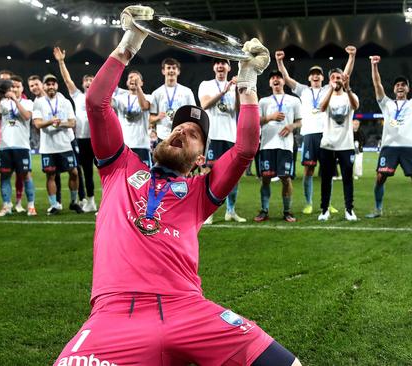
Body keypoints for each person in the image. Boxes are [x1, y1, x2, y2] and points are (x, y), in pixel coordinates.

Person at [53, 6, 302, 366]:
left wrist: (247, 81)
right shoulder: (119, 166)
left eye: (195, 134)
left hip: (188, 309)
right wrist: (131, 40)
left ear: (201, 158)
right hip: (114, 313)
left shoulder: (202, 193)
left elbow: (246, 148)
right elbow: (96, 102)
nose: (183, 131)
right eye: (179, 127)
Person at [275, 46, 355, 215]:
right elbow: (287, 79)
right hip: (309, 134)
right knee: (308, 170)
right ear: (309, 77)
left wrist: (351, 57)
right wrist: (280, 61)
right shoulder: (303, 90)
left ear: (322, 77)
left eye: (318, 73)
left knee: (328, 172)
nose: (316, 76)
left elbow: (344, 75)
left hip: (328, 134)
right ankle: (309, 202)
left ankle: (328, 203)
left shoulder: (329, 89)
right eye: (313, 74)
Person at [365, 54, 412, 220]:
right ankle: (378, 209)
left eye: (403, 85)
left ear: (408, 89)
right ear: (394, 89)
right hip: (389, 147)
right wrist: (374, 65)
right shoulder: (386, 104)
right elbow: (377, 83)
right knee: (380, 177)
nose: (400, 87)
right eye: (397, 85)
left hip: (409, 147)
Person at [198, 58, 247, 223]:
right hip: (212, 136)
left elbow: (239, 110)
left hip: (230, 137)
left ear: (228, 67)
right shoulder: (206, 84)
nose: (220, 65)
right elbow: (204, 104)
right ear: (214, 67)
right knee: (208, 174)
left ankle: (231, 210)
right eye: (217, 63)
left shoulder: (234, 86)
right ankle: (208, 212)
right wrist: (224, 92)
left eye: (223, 63)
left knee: (233, 176)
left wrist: (236, 92)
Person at [53, 47, 98, 212]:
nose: (88, 82)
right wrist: (61, 61)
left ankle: (108, 202)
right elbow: (66, 80)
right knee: (86, 172)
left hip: (98, 139)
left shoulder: (103, 97)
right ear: (83, 84)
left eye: (91, 80)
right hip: (82, 139)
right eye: (86, 80)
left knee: (105, 173)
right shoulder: (78, 96)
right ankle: (90, 201)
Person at [254, 70, 302, 222]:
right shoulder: (263, 101)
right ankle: (264, 210)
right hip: (267, 145)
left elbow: (300, 121)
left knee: (285, 178)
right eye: (273, 78)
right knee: (266, 179)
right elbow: (257, 121)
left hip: (286, 145)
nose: (276, 80)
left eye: (279, 77)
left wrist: (291, 126)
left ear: (283, 81)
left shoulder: (294, 100)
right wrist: (270, 117)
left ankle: (287, 211)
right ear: (270, 83)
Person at [32, 74, 83, 215]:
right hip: (48, 147)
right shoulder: (39, 103)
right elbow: (37, 123)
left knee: (74, 172)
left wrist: (61, 123)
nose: (51, 86)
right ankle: (54, 205)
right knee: (51, 175)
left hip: (65, 145)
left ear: (57, 86)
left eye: (53, 84)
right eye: (47, 84)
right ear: (44, 86)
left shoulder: (65, 102)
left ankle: (73, 202)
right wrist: (50, 121)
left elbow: (72, 122)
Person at [0, 75, 37, 217]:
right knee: (5, 176)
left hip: (22, 146)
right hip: (4, 146)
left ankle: (31, 206)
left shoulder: (28, 102)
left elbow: (27, 116)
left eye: (17, 86)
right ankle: (6, 206)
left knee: (26, 175)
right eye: (12, 87)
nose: (14, 89)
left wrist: (15, 100)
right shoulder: (2, 103)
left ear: (22, 88)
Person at [317, 68, 359, 221]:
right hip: (327, 144)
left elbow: (355, 106)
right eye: (333, 77)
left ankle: (349, 210)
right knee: (326, 179)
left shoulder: (350, 96)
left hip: (346, 145)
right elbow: (321, 108)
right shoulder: (326, 96)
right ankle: (324, 210)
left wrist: (347, 88)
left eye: (339, 77)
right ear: (329, 80)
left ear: (344, 79)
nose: (336, 79)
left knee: (347, 179)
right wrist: (330, 89)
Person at [149, 57, 196, 143]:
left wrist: (183, 117)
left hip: (182, 134)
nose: (171, 70)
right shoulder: (156, 93)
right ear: (163, 71)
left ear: (178, 71)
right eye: (168, 68)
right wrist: (157, 117)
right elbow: (150, 118)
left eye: (174, 68)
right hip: (163, 136)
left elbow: (194, 114)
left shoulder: (187, 92)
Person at [112, 69, 153, 166]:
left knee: (144, 178)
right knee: (125, 178)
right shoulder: (120, 98)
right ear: (126, 82)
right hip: (124, 146)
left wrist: (137, 86)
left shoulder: (149, 97)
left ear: (141, 83)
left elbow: (144, 106)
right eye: (130, 78)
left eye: (136, 78)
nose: (133, 79)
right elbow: (107, 103)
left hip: (142, 145)